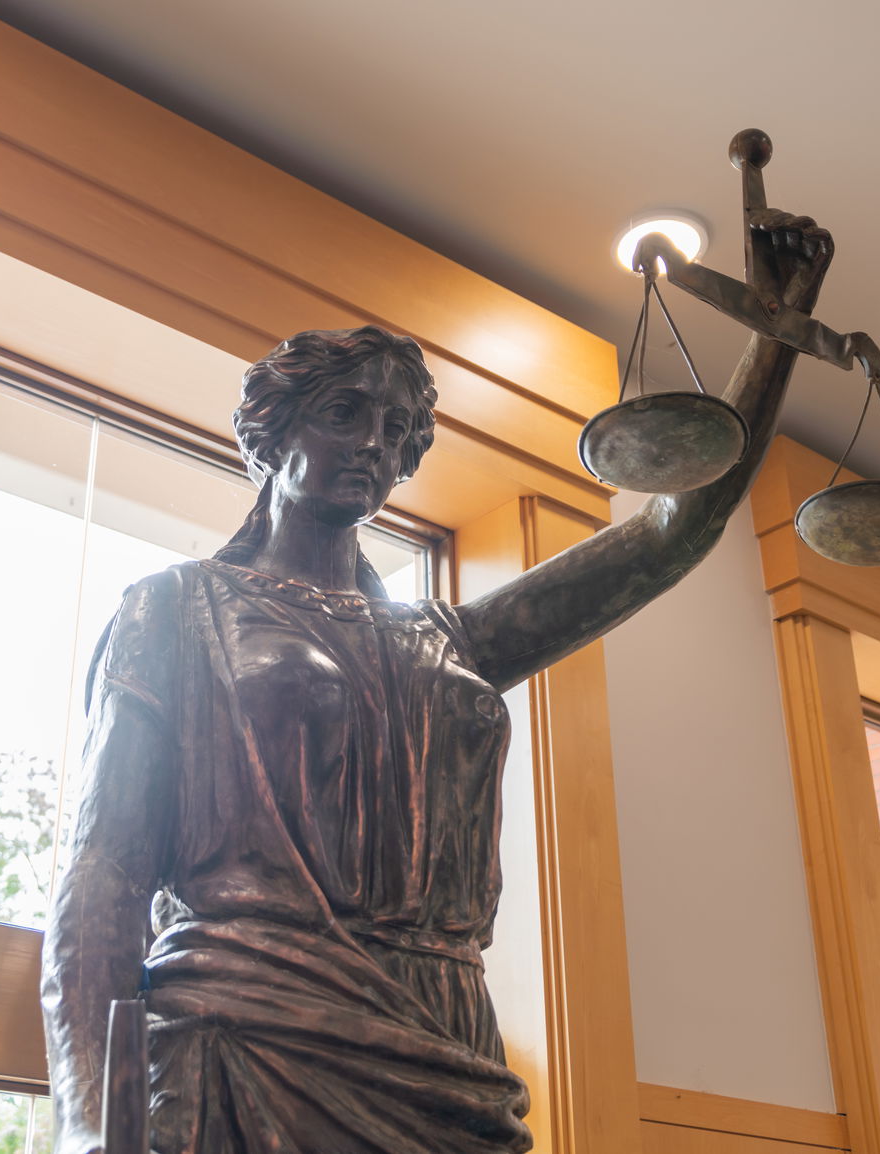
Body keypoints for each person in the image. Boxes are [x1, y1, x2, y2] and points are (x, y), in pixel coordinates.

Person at [43, 209, 833, 1154]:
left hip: (445, 1041)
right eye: (345, 414)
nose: (375, 443)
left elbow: (668, 536)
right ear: (272, 434)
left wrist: (775, 336)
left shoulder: (448, 639)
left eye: (400, 428)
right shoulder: (176, 609)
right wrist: (90, 1119)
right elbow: (105, 871)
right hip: (248, 1033)